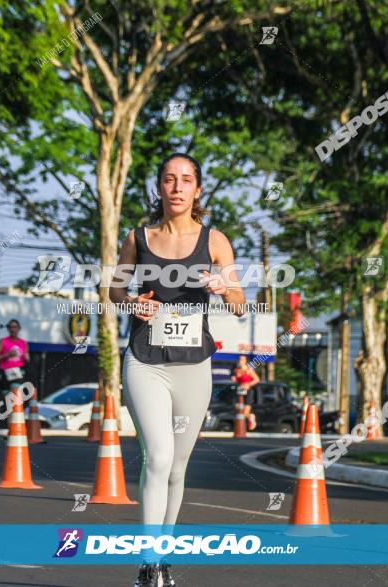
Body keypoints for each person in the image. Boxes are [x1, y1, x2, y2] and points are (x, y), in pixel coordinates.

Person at [110, 153, 246, 587]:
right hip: (145, 361)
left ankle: (162, 555)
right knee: (159, 456)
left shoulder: (216, 241)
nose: (177, 187)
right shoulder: (138, 238)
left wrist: (224, 287)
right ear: (160, 188)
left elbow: (241, 305)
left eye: (186, 180)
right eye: (169, 179)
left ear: (197, 189)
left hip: (194, 366)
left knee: (177, 468)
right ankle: (148, 565)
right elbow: (113, 289)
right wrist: (133, 303)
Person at [0, 319, 30, 403]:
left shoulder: (23, 343)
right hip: (5, 373)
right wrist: (7, 355)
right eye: (11, 327)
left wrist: (26, 357)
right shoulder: (3, 341)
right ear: (8, 329)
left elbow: (27, 358)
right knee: (6, 400)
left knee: (15, 397)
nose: (13, 329)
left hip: (18, 373)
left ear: (19, 329)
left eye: (15, 327)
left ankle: (15, 414)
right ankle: (7, 415)